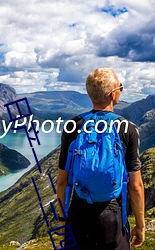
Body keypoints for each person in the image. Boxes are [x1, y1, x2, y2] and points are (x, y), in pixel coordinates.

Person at [57, 68, 145, 250]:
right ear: (113, 94)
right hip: (112, 215)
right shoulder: (128, 129)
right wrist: (140, 225)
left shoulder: (73, 125)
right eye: (121, 87)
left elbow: (62, 181)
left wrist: (62, 219)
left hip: (78, 212)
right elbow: (135, 186)